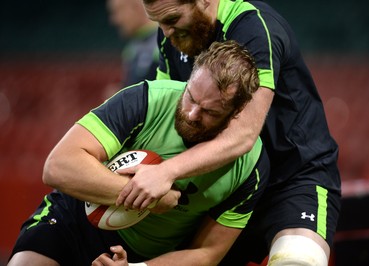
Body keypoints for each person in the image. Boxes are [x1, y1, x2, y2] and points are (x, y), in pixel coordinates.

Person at [113, 0, 342, 265]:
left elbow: (243, 135)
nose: (165, 32)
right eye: (159, 23)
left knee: (298, 261)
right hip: (222, 188)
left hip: (292, 180)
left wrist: (165, 172)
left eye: (173, 19)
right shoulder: (171, 38)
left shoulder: (253, 28)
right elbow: (164, 116)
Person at [8, 40, 270, 266]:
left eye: (210, 112)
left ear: (236, 114)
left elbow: (207, 253)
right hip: (73, 220)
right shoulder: (147, 101)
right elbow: (58, 166)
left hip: (144, 254)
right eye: (190, 97)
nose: (191, 114)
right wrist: (150, 197)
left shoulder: (250, 165)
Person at [107, 0, 159, 87]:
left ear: (136, 7)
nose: (114, 20)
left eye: (118, 11)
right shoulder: (131, 48)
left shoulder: (165, 41)